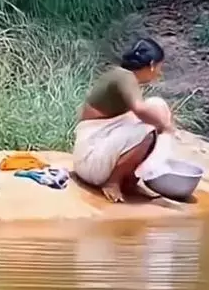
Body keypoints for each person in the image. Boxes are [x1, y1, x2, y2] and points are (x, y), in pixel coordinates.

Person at [73, 37, 174, 203]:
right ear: (151, 65)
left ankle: (130, 182)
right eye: (159, 67)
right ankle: (112, 182)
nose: (159, 73)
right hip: (90, 162)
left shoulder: (122, 75)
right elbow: (139, 109)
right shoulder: (125, 77)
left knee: (158, 106)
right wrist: (165, 126)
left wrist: (162, 123)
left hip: (95, 157)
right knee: (148, 130)